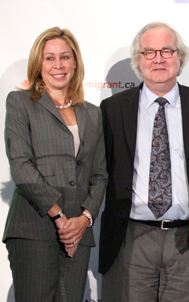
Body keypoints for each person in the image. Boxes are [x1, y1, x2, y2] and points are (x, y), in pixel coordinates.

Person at [99, 22, 189, 302]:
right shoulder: (113, 108)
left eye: (167, 51)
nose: (158, 59)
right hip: (130, 237)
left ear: (180, 57)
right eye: (149, 52)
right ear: (138, 60)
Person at [3, 27, 107, 301]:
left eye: (65, 57)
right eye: (49, 58)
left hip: (78, 232)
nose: (58, 65)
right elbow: (21, 166)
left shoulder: (92, 113)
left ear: (75, 62)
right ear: (38, 64)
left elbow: (99, 175)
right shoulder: (20, 103)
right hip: (33, 230)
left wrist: (84, 219)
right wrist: (60, 218)